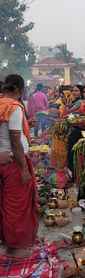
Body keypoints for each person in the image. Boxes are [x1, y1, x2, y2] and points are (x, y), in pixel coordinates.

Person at [0, 74, 39, 256]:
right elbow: (15, 140)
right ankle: (14, 248)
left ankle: (7, 242)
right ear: (19, 91)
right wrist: (23, 167)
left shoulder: (1, 104)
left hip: (3, 160)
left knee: (5, 204)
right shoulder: (14, 107)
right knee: (17, 206)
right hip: (13, 163)